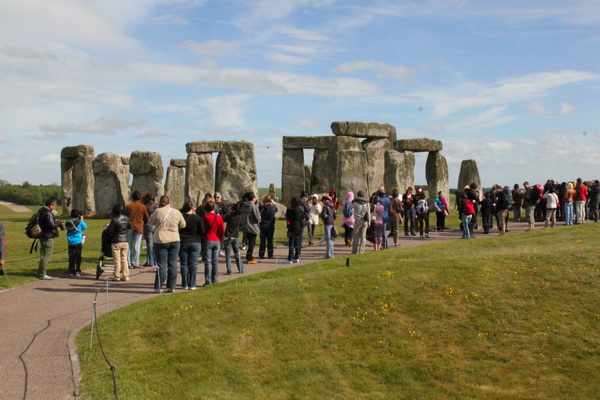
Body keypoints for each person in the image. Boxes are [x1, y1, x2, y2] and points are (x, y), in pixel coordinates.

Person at [149, 195, 186, 293]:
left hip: (161, 239)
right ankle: (171, 286)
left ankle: (159, 286)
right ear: (169, 202)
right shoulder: (176, 212)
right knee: (173, 263)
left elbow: (150, 222)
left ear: (160, 202)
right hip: (174, 239)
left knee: (161, 264)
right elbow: (183, 224)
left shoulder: (158, 211)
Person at [37, 197, 64, 280]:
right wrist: (59, 223)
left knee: (43, 254)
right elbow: (51, 225)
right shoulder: (48, 213)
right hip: (48, 236)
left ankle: (40, 272)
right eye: (55, 206)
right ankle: (42, 274)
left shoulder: (41, 210)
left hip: (42, 235)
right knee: (46, 255)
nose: (55, 207)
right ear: (51, 205)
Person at [179, 201, 204, 290]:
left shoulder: (180, 217)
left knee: (184, 264)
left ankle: (184, 284)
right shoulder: (197, 218)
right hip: (195, 241)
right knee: (193, 264)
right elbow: (202, 231)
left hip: (183, 241)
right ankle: (192, 284)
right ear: (192, 208)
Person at [124, 191, 149, 269]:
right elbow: (147, 218)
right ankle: (135, 262)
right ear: (140, 198)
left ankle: (128, 262)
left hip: (129, 227)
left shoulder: (128, 206)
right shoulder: (143, 207)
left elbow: (124, 216)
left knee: (128, 245)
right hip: (139, 227)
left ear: (132, 197)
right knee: (136, 246)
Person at [106, 204, 132, 282]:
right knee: (124, 259)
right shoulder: (126, 218)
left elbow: (108, 230)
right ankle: (126, 276)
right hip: (124, 240)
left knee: (117, 260)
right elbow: (130, 227)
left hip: (116, 240)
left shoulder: (114, 220)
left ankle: (117, 276)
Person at [203, 200, 225, 286]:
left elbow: (203, 229)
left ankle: (208, 281)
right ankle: (215, 279)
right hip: (216, 240)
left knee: (208, 261)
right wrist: (219, 238)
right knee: (215, 261)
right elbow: (222, 230)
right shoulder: (219, 217)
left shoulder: (206, 218)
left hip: (208, 239)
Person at [240, 192, 260, 264]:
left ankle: (248, 256)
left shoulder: (243, 205)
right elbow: (257, 217)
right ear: (253, 198)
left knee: (248, 241)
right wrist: (259, 219)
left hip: (245, 226)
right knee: (251, 243)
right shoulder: (253, 206)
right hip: (252, 226)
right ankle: (249, 258)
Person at [65, 209, 87, 277]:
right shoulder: (80, 222)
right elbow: (85, 227)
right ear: (79, 215)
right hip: (78, 240)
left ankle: (71, 270)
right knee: (78, 255)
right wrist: (82, 220)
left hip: (70, 241)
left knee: (71, 256)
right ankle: (77, 270)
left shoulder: (67, 222)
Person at [284, 196, 305, 264]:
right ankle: (296, 257)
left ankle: (290, 258)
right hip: (299, 226)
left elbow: (288, 216)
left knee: (291, 243)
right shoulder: (301, 208)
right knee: (298, 243)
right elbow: (303, 217)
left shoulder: (292, 209)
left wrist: (288, 209)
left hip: (293, 227)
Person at [223, 203, 243, 274]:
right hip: (235, 235)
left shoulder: (229, 216)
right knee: (237, 253)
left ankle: (229, 270)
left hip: (228, 236)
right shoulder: (239, 217)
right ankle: (240, 269)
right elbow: (241, 225)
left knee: (228, 254)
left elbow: (223, 219)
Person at [349, 190, 371, 254]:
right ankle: (361, 250)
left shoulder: (356, 203)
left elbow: (349, 207)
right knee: (363, 236)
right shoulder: (367, 203)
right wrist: (369, 222)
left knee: (356, 236)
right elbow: (368, 213)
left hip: (358, 220)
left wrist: (352, 201)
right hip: (364, 220)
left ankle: (354, 251)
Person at [141, 192, 158, 267]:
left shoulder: (145, 206)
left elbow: (144, 216)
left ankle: (150, 261)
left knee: (149, 243)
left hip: (148, 224)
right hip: (156, 224)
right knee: (155, 243)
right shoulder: (157, 205)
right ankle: (155, 260)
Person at [258, 195, 277, 259]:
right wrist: (273, 203)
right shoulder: (273, 207)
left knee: (262, 241)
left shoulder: (261, 207)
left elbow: (259, 209)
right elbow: (276, 209)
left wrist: (262, 203)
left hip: (263, 225)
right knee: (270, 240)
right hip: (270, 225)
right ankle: (270, 255)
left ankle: (261, 254)